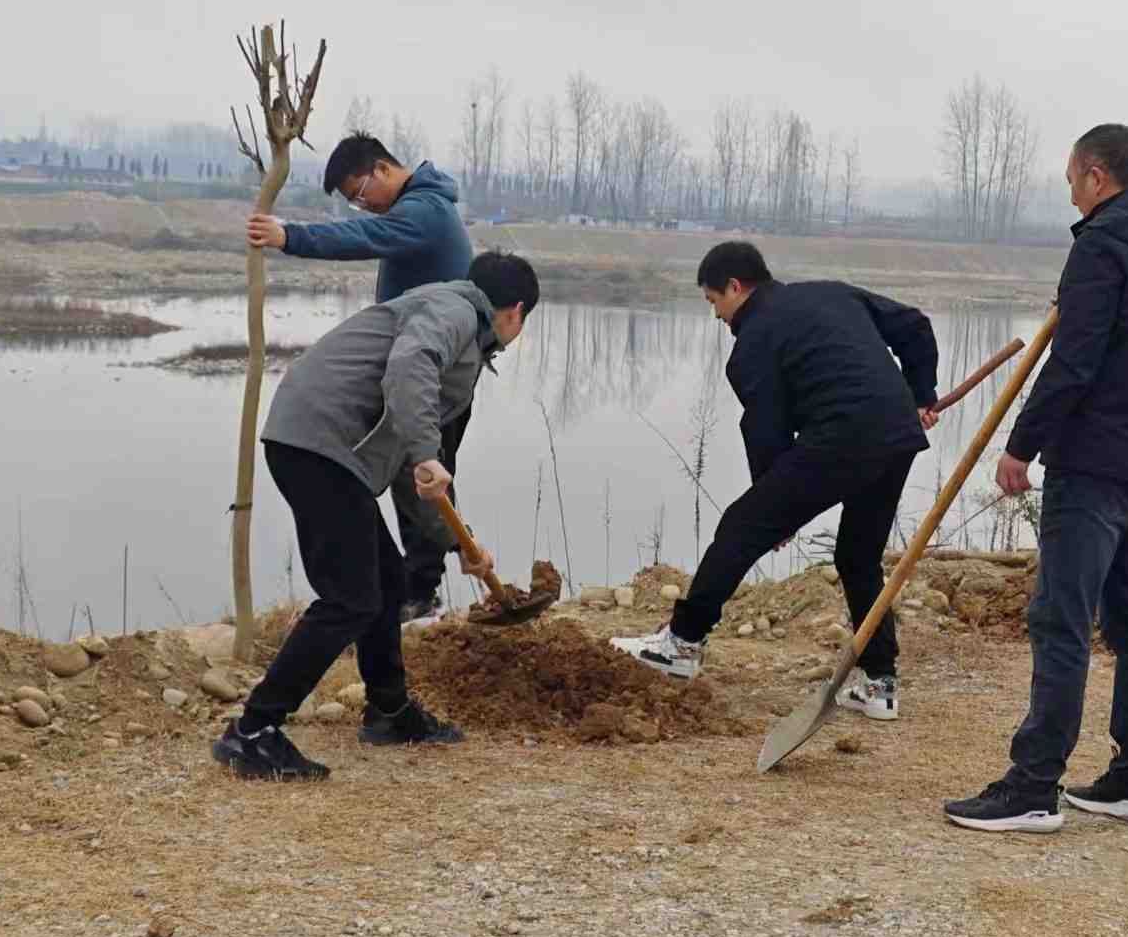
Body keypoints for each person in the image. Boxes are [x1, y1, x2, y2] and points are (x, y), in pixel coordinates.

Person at [944, 124, 1128, 834]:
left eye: (1071, 181)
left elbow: (1075, 361)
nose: (1071, 197)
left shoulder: (1101, 246)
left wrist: (1020, 445)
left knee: (1061, 617)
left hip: (1092, 465)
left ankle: (1033, 785)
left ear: (1097, 175)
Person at [210, 250, 540, 781]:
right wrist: (427, 453)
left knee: (386, 580)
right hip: (320, 442)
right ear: (517, 312)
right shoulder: (454, 312)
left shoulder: (460, 338)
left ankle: (389, 711)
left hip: (326, 448)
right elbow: (411, 370)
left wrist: (459, 543)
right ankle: (253, 730)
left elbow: (419, 475)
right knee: (350, 598)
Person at [610, 242, 939, 719]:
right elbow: (915, 326)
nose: (716, 315)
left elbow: (767, 430)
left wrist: (773, 510)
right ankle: (880, 685)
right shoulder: (833, 293)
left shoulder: (752, 344)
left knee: (742, 525)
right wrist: (921, 394)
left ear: (735, 287)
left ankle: (682, 643)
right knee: (858, 557)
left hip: (843, 436)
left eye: (714, 301)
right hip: (897, 436)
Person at [246, 131, 474, 622]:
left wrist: (291, 237)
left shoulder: (425, 212)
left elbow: (363, 237)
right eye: (354, 200)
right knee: (408, 473)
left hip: (433, 375)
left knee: (420, 476)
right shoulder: (417, 207)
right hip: (415, 370)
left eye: (360, 193)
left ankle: (421, 591)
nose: (362, 206)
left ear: (383, 170)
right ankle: (413, 587)